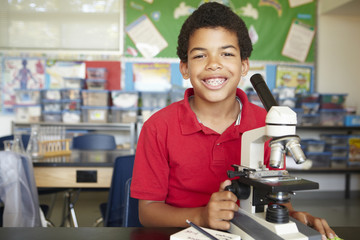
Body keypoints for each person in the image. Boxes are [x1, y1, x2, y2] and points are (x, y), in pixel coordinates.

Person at [131, 2, 337, 240]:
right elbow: (147, 213)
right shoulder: (158, 127)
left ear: (244, 65)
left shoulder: (265, 123)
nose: (213, 64)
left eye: (227, 53)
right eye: (200, 55)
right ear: (185, 68)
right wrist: (201, 216)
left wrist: (294, 217)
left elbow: (276, 195)